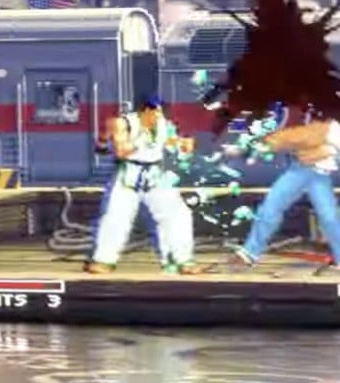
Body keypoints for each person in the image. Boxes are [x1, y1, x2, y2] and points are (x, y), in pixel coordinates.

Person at [86, 97, 203, 274]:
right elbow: (121, 151)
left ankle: (183, 260)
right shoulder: (123, 123)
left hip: (155, 174)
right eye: (155, 113)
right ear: (146, 110)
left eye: (160, 114)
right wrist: (140, 140)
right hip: (129, 174)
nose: (158, 117)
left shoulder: (163, 124)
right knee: (116, 216)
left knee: (178, 214)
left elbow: (172, 141)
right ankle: (103, 259)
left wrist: (183, 144)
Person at [221, 115, 339, 274]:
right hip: (300, 171)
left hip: (319, 176)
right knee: (271, 208)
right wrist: (248, 149)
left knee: (329, 217)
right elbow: (288, 138)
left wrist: (328, 151)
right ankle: (249, 253)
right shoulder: (321, 127)